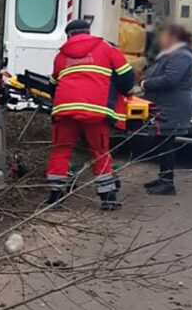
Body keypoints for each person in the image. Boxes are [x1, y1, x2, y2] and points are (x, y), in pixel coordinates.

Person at [45, 19, 135, 210]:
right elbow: (127, 76)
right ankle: (108, 198)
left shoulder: (61, 55)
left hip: (65, 111)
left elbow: (52, 85)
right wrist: (122, 92)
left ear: (69, 36)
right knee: (99, 152)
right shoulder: (107, 48)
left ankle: (55, 197)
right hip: (96, 111)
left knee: (61, 151)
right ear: (88, 32)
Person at [139, 25, 192, 196]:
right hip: (164, 104)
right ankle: (163, 178)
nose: (161, 39)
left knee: (166, 143)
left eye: (164, 36)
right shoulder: (171, 54)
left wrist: (146, 84)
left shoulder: (182, 55)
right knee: (161, 141)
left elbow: (170, 79)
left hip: (173, 105)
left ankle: (167, 183)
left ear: (173, 37)